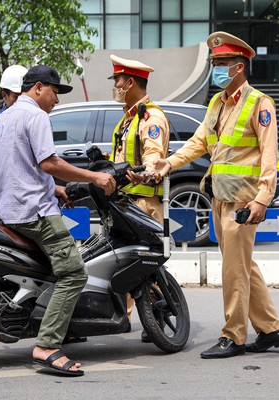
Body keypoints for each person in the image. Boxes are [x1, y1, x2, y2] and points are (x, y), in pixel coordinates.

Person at [154, 32, 279, 359]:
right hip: (218, 195)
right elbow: (199, 142)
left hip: (243, 201)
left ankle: (234, 336)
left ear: (239, 67)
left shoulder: (260, 103)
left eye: (220, 63)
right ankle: (272, 330)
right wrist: (168, 162)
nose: (215, 68)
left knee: (233, 270)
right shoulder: (216, 103)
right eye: (214, 62)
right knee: (241, 266)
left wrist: (262, 199)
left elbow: (270, 156)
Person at [0, 64, 116, 376]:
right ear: (37, 88)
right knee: (74, 273)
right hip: (34, 212)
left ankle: (62, 325)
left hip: (9, 209)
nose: (56, 100)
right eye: (55, 92)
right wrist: (96, 178)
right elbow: (49, 163)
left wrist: (56, 189)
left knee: (57, 271)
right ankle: (46, 345)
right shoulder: (35, 116)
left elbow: (20, 165)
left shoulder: (4, 118)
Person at [107, 54, 170, 342]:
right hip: (125, 205)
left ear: (130, 82)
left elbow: (153, 159)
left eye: (118, 81)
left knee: (145, 267)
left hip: (143, 205)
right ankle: (126, 318)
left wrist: (144, 172)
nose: (115, 85)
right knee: (123, 264)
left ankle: (156, 317)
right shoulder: (127, 118)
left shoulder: (150, 118)